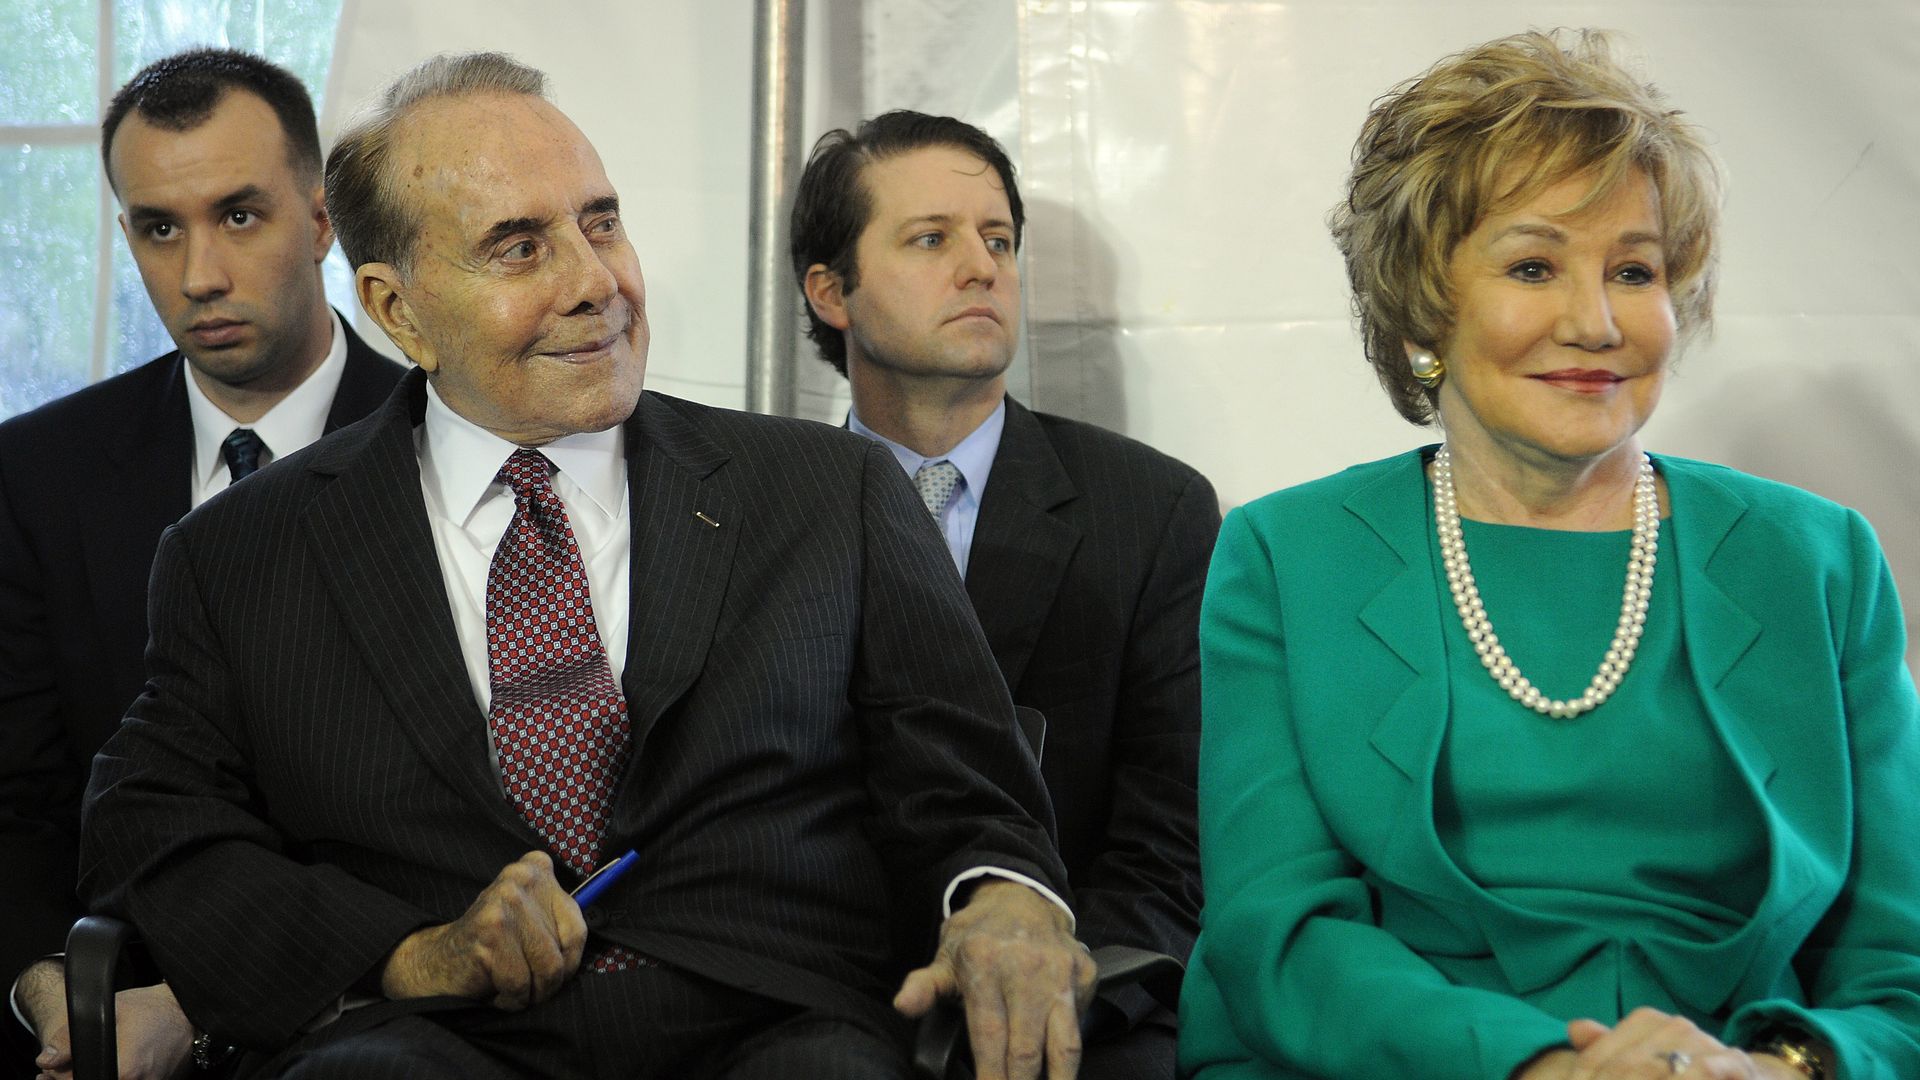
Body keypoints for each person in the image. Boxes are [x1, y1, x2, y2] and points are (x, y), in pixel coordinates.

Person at [78, 51, 1095, 1080]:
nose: (596, 281)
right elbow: (152, 826)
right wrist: (402, 954)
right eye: (520, 247)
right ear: (398, 310)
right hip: (432, 1043)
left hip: (774, 1028)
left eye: (601, 222)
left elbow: (975, 794)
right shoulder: (242, 552)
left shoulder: (831, 493)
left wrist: (1004, 899)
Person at [1179, 29, 1920, 1080]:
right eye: (1533, 265)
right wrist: (1540, 1067)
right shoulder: (1284, 557)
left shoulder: (1820, 560)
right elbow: (1281, 937)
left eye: (1635, 270)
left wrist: (1777, 1067)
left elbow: (1898, 970)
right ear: (1426, 299)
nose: (1595, 320)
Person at [0, 48, 404, 1079]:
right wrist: (60, 998)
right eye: (158, 228)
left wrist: (212, 1001)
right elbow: (18, 803)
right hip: (107, 996)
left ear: (322, 221)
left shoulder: (449, 446)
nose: (198, 277)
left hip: (391, 1010)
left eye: (239, 214)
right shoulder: (36, 474)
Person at [792, 110, 1216, 1079]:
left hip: (1081, 994)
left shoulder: (1151, 510)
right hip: (819, 1005)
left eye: (998, 240)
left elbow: (1172, 834)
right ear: (831, 291)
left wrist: (1066, 979)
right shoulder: (755, 509)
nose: (982, 267)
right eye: (930, 239)